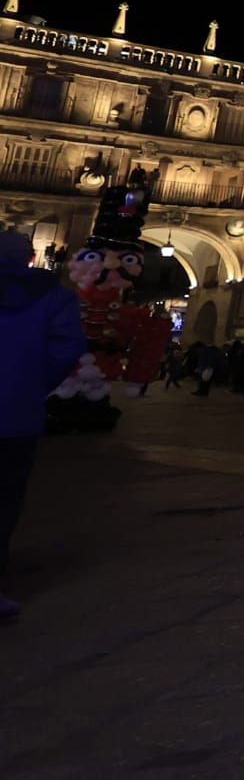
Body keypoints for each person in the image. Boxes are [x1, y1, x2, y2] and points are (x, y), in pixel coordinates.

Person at [2, 230, 89, 620]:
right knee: (5, 499)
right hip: (16, 415)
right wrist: (33, 383)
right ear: (27, 258)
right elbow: (68, 347)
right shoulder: (54, 296)